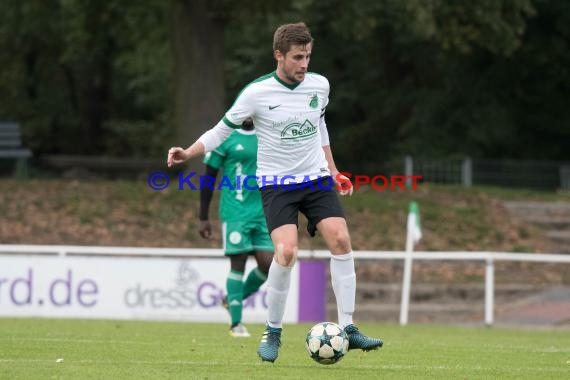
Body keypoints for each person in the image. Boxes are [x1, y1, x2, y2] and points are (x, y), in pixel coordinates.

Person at [168, 22, 383, 363]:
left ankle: (350, 328)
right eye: (298, 57)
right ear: (279, 55)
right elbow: (221, 131)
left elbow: (319, 124)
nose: (304, 64)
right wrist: (188, 152)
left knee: (341, 239)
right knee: (285, 253)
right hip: (276, 185)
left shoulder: (320, 85)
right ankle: (273, 331)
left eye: (308, 56)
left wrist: (333, 170)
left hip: (315, 179)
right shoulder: (256, 93)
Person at [199, 117, 273, 338]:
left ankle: (232, 300)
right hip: (235, 213)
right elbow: (208, 179)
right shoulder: (224, 136)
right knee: (238, 262)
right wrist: (203, 216)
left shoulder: (267, 134)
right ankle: (236, 323)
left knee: (269, 264)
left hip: (263, 212)